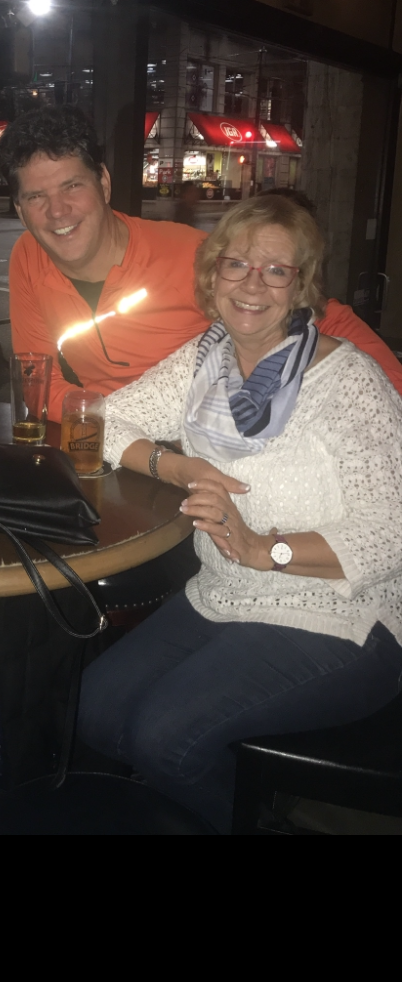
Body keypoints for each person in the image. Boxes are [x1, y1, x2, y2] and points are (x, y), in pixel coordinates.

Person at [78, 195, 402, 832]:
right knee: (93, 711)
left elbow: (391, 530)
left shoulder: (349, 381)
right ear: (212, 275)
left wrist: (264, 548)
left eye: (276, 271)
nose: (252, 283)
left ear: (301, 286)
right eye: (236, 265)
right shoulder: (208, 360)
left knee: (163, 738)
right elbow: (105, 419)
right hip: (222, 594)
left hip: (343, 614)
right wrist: (182, 468)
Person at [0, 108, 402, 418]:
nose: (57, 211)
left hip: (206, 443)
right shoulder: (28, 257)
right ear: (19, 209)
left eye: (72, 186)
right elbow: (37, 379)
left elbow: (319, 314)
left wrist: (394, 400)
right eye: (36, 197)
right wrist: (105, 420)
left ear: (103, 183)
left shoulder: (188, 253)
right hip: (115, 445)